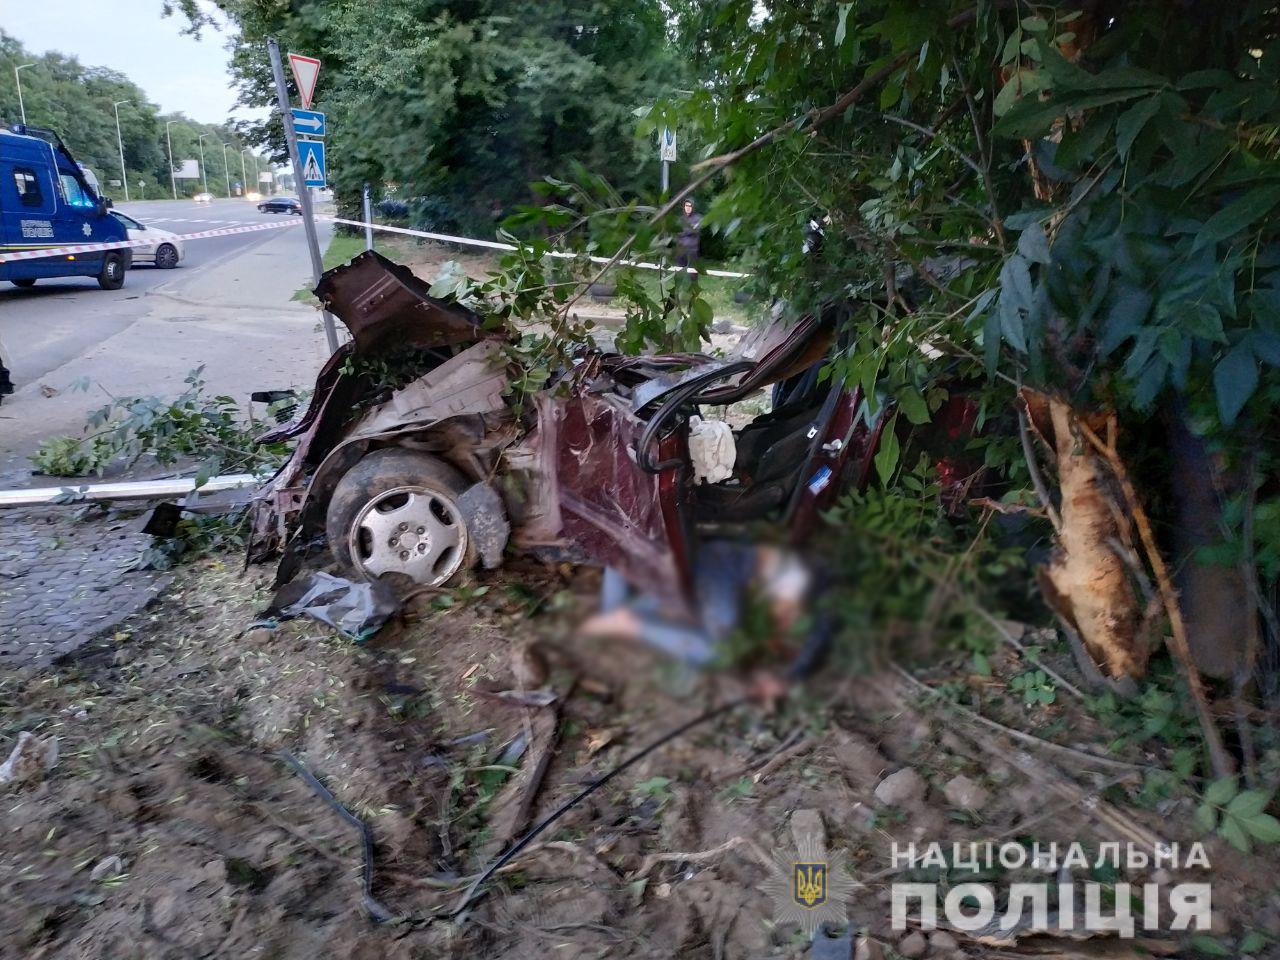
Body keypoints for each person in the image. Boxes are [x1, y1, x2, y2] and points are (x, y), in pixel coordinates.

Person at [676, 198, 702, 269]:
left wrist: (684, 231)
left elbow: (696, 230)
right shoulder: (680, 219)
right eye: (686, 206)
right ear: (684, 207)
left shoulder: (698, 218)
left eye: (690, 206)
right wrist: (690, 229)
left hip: (692, 250)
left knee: (692, 273)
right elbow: (677, 232)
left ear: (693, 207)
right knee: (680, 272)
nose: (688, 208)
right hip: (681, 250)